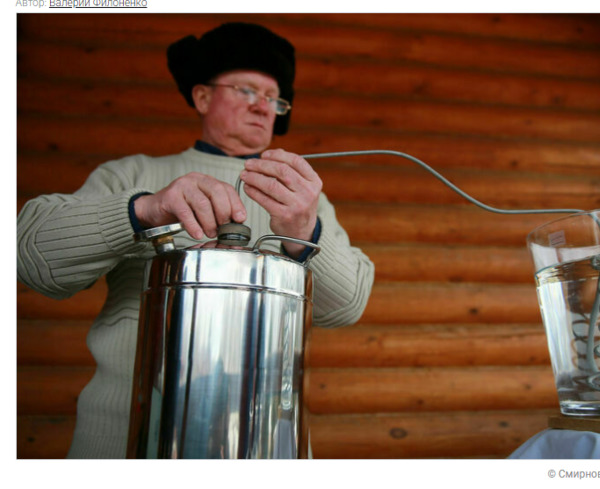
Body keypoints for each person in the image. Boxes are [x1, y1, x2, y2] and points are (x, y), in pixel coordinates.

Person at [16, 22, 374, 458]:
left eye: (274, 98)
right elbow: (29, 259)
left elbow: (346, 307)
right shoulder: (134, 174)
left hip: (264, 445)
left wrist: (302, 233)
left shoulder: (301, 199)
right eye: (246, 90)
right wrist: (144, 210)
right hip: (121, 442)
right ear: (202, 97)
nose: (263, 107)